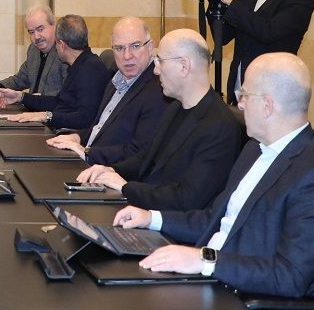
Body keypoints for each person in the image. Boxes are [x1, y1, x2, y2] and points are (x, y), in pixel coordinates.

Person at [113, 53, 314, 297]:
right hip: (209, 278)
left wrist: (204, 260)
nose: (240, 104)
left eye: (244, 95)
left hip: (242, 296)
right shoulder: (253, 149)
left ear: (267, 105)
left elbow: (290, 277)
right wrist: (151, 218)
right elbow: (214, 220)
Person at [77, 29, 242, 210]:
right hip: (145, 207)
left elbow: (186, 199)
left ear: (184, 66)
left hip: (165, 221)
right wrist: (111, 170)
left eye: (160, 62)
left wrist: (125, 187)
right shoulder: (175, 108)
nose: (155, 70)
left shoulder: (219, 126)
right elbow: (147, 158)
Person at [204, 0, 314, 102]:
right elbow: (224, 37)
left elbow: (268, 32)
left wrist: (230, 1)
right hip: (238, 86)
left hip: (271, 90)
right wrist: (215, 4)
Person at [45, 17, 169, 165]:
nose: (127, 56)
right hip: (89, 160)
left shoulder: (158, 90)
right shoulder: (116, 80)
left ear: (150, 47)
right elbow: (100, 128)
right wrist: (77, 137)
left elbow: (139, 153)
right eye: (119, 48)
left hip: (110, 171)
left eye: (135, 46)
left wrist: (87, 152)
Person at [0, 15, 110, 130]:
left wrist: (46, 116)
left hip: (70, 136)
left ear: (61, 45)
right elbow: (59, 103)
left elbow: (86, 119)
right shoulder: (79, 65)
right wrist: (20, 97)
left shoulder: (91, 69)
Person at [0, 5, 68, 96]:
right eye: (31, 32)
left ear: (54, 26)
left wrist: (40, 99)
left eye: (40, 29)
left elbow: (68, 94)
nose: (36, 37)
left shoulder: (65, 52)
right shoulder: (33, 50)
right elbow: (19, 80)